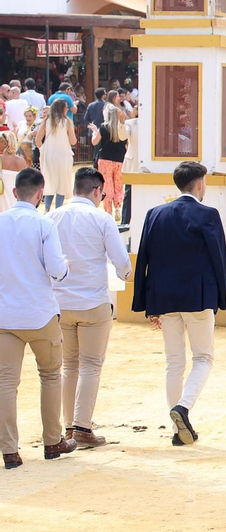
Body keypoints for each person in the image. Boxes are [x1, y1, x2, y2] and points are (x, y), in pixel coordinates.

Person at [131, 161, 226, 447]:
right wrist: (220, 298)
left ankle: (177, 429)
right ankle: (183, 409)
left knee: (174, 363)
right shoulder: (208, 214)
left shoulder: (155, 214)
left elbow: (143, 259)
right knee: (203, 358)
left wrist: (146, 302)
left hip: (163, 297)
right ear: (199, 184)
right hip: (198, 297)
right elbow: (219, 260)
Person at [47, 167, 130, 448]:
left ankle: (71, 426)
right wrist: (127, 275)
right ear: (97, 191)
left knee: (69, 366)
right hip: (93, 301)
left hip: (60, 302)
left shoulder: (52, 217)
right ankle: (82, 426)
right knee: (91, 366)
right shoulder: (102, 218)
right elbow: (122, 264)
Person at [0, 168, 73, 468]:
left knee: (5, 382)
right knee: (50, 376)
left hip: (6, 314)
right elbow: (57, 270)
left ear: (15, 192)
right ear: (40, 194)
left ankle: (9, 450)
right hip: (40, 313)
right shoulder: (44, 224)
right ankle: (52, 441)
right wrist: (66, 267)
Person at [33, 99, 76, 211]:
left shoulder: (46, 121)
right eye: (66, 107)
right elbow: (73, 141)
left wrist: (42, 149)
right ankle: (58, 209)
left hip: (49, 154)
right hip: (63, 155)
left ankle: (47, 209)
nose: (67, 109)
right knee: (62, 182)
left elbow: (37, 139)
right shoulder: (67, 122)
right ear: (62, 109)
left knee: (49, 181)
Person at [91, 96, 129, 219]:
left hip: (105, 159)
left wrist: (94, 132)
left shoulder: (103, 127)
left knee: (107, 185)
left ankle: (108, 211)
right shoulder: (122, 128)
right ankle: (118, 207)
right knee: (118, 184)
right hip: (120, 159)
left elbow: (95, 142)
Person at [0, 131, 25, 215]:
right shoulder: (21, 161)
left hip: (2, 193)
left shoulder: (0, 159)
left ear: (5, 143)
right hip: (16, 194)